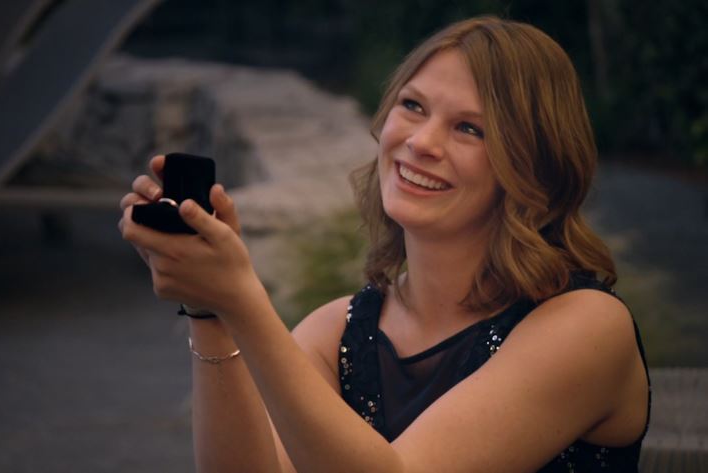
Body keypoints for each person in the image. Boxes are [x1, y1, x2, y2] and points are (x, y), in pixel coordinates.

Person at [119, 15, 650, 473]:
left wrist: (245, 301)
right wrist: (211, 312)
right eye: (413, 106)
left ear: (532, 166)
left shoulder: (585, 327)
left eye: (469, 129)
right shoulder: (340, 330)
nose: (420, 142)